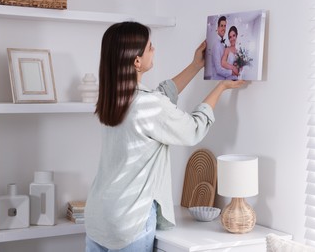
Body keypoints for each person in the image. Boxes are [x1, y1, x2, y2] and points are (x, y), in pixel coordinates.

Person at [85, 21, 247, 252]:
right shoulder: (148, 105)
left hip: (98, 217)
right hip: (129, 219)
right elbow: (192, 130)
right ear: (136, 61)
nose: (154, 49)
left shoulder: (112, 99)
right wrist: (220, 88)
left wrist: (195, 66)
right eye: (150, 47)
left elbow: (161, 96)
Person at [211, 16, 239, 80]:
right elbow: (218, 69)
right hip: (217, 79)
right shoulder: (216, 45)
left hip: (226, 79)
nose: (223, 28)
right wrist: (232, 71)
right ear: (217, 28)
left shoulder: (223, 45)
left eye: (225, 26)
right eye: (221, 26)